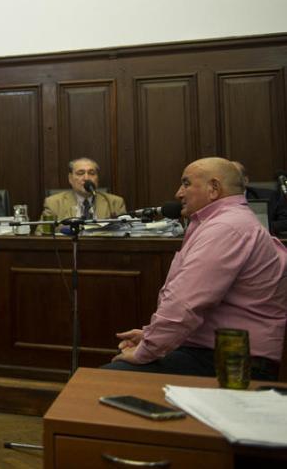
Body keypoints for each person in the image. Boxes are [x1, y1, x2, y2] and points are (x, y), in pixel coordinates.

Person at [103, 157, 287, 380]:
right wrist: (151, 336)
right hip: (212, 349)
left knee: (108, 379)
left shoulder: (226, 227)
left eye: (186, 183)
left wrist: (148, 349)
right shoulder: (223, 222)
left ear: (214, 189)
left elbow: (185, 303)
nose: (178, 193)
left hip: (234, 359)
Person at [35, 157, 127, 234]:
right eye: (80, 173)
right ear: (70, 178)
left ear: (97, 178)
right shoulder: (53, 203)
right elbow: (41, 234)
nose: (86, 178)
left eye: (91, 173)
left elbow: (126, 232)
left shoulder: (115, 202)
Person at [231, 160, 287, 237]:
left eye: (233, 177)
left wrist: (262, 226)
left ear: (245, 181)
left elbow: (285, 222)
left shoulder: (270, 196)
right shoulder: (215, 200)